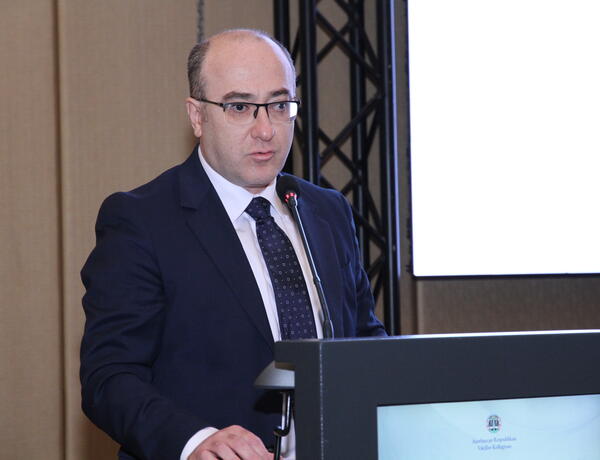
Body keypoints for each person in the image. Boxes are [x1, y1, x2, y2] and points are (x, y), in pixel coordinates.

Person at [80, 28, 386, 460]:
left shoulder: (327, 210)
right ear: (197, 116)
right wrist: (195, 441)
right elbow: (110, 378)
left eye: (280, 105)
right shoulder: (141, 221)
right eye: (240, 107)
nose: (266, 130)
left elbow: (365, 342)